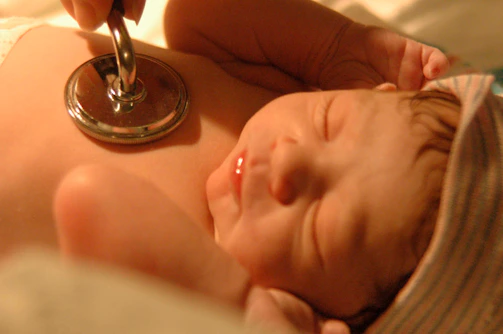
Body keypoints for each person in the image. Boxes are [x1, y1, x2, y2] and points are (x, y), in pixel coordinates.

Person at [0, 0, 455, 332]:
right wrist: (333, 47)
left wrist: (241, 305)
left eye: (319, 227)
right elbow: (193, 15)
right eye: (329, 122)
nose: (289, 160)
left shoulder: (206, 286)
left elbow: (90, 197)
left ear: (332, 317)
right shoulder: (274, 93)